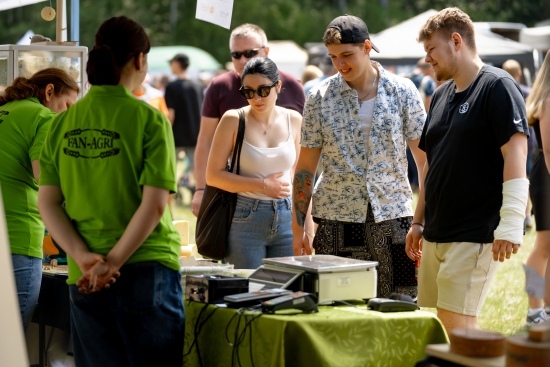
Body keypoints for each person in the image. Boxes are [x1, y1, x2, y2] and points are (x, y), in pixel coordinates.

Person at [37, 16, 184, 367]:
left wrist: (85, 258)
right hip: (146, 268)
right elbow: (154, 205)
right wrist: (113, 262)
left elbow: (48, 203)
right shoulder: (149, 119)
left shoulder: (61, 123)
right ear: (139, 60)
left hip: (83, 274)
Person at [407, 7, 529, 335]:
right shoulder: (442, 93)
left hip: (475, 233)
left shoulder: (498, 86)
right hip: (436, 232)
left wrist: (512, 224)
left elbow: (517, 158)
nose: (428, 58)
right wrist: (419, 221)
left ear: (456, 41)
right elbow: (433, 164)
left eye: (432, 49)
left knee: (458, 329)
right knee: (442, 330)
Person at [292, 15, 427, 299]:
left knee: (398, 307)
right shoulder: (319, 97)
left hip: (394, 217)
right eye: (332, 58)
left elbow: (425, 162)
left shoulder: (403, 91)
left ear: (367, 47)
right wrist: (298, 228)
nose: (340, 64)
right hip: (335, 220)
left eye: (346, 55)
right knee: (337, 307)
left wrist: (421, 220)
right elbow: (305, 169)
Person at [192, 23, 306, 216]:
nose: (243, 60)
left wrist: (302, 206)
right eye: (236, 55)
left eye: (250, 53)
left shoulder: (293, 86)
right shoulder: (219, 86)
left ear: (266, 51)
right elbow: (205, 140)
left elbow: (302, 150)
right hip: (234, 199)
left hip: (284, 201)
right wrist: (200, 189)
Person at [0, 68, 79, 331]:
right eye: (67, 105)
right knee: (11, 341)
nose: (67, 115)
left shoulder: (7, 109)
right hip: (18, 236)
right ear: (49, 92)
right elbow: (45, 177)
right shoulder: (44, 117)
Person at [206, 57, 301, 269]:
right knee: (248, 292)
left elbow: (301, 178)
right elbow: (213, 175)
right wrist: (263, 185)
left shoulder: (294, 119)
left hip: (287, 216)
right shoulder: (233, 119)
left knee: (287, 294)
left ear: (278, 86)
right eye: (248, 92)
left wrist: (306, 226)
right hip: (245, 218)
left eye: (263, 90)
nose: (256, 98)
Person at [524, 52, 550, 326]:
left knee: (548, 248)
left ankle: (547, 309)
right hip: (547, 175)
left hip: (545, 173)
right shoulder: (548, 99)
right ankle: (534, 311)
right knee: (542, 247)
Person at [502, 59, 536, 229]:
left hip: (507, 140)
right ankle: (527, 215)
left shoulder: (501, 90)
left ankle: (517, 216)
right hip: (529, 140)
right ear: (520, 73)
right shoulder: (529, 92)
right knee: (525, 177)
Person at [165, 53, 204, 194]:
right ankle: (199, 195)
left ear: (177, 63)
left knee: (170, 169)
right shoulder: (198, 86)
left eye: (172, 63)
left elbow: (171, 114)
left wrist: (166, 134)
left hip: (176, 136)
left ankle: (170, 198)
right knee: (197, 169)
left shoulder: (171, 86)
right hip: (196, 134)